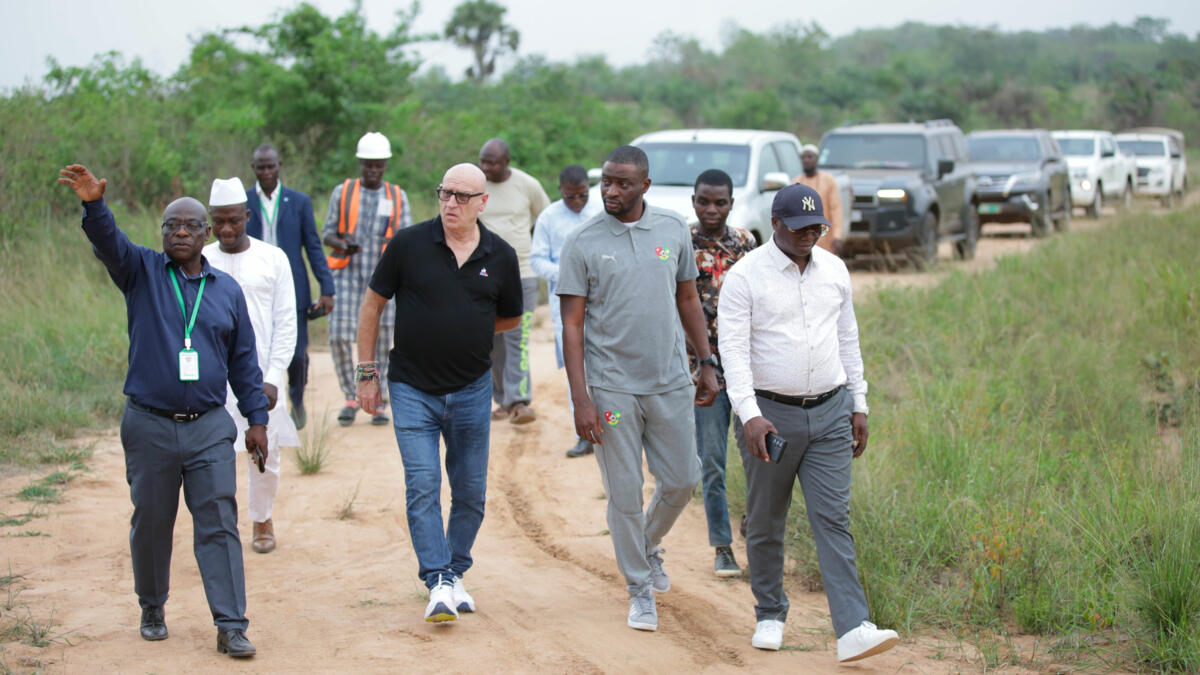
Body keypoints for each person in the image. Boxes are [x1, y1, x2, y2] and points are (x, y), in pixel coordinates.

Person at [58, 164, 267, 658]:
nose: (179, 232)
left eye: (190, 225)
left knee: (218, 520)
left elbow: (244, 364)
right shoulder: (143, 273)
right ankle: (152, 605)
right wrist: (94, 205)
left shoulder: (226, 291)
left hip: (209, 427)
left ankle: (231, 624)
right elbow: (110, 243)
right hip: (149, 423)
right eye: (171, 225)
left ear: (207, 233)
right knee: (152, 519)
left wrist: (256, 420)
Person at [717, 183, 898, 661]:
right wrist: (750, 415)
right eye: (799, 228)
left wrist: (859, 403)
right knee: (766, 517)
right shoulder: (745, 277)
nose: (809, 235)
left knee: (833, 519)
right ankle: (770, 613)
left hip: (832, 410)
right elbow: (732, 353)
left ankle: (853, 628)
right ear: (775, 224)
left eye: (816, 227)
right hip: (770, 417)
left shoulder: (834, 270)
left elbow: (848, 337)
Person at [557, 146, 719, 632]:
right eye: (606, 181)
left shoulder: (671, 230)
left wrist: (705, 361)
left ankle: (646, 546)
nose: (610, 190)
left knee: (683, 479)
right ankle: (639, 588)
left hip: (669, 380)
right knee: (624, 492)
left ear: (644, 186)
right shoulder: (582, 241)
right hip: (612, 390)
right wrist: (581, 399)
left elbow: (688, 297)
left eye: (622, 183)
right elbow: (571, 326)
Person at [355, 163, 523, 624]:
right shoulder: (409, 244)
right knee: (423, 485)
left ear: (482, 203)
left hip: (471, 390)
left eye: (461, 197)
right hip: (411, 389)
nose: (450, 203)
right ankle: (439, 580)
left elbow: (509, 318)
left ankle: (454, 570)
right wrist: (366, 372)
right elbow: (372, 305)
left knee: (470, 492)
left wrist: (464, 324)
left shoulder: (501, 255)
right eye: (444, 193)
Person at [205, 177, 299, 555]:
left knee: (265, 452)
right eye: (219, 222)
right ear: (210, 222)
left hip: (261, 376)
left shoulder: (273, 258)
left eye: (234, 220)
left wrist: (274, 377)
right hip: (211, 378)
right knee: (213, 453)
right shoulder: (201, 258)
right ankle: (220, 526)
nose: (227, 229)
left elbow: (285, 323)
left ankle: (262, 518)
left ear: (247, 216)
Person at [688, 169, 757, 578]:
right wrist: (700, 363)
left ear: (731, 203)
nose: (711, 209)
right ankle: (722, 546)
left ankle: (756, 521)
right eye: (703, 201)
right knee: (712, 461)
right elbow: (675, 303)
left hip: (745, 368)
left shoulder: (746, 243)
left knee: (758, 458)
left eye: (720, 202)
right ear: (693, 201)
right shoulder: (680, 243)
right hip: (702, 372)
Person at [323, 131, 412, 426]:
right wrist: (341, 243)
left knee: (386, 338)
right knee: (338, 334)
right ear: (360, 164)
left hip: (385, 279)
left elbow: (407, 239)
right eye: (368, 164)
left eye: (378, 165)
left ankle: (380, 399)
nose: (373, 170)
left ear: (385, 165)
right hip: (347, 274)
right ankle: (351, 395)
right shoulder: (343, 192)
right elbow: (327, 233)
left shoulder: (398, 196)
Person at [245, 143, 335, 430]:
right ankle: (259, 409)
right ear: (254, 169)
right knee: (256, 351)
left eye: (271, 166)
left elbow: (313, 247)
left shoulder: (299, 202)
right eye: (261, 167)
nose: (267, 172)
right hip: (255, 288)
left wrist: (327, 287)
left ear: (279, 165)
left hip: (292, 289)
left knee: (297, 354)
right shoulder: (243, 201)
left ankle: (296, 397)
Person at [530, 164, 602, 458]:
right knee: (577, 371)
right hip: (567, 306)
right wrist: (569, 275)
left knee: (604, 369)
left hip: (601, 304)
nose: (577, 202)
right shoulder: (548, 217)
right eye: (570, 196)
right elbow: (537, 261)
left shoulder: (600, 211)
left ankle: (613, 428)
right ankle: (583, 435)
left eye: (582, 195)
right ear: (560, 191)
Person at [478, 138, 550, 425]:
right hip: (484, 276)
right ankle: (503, 400)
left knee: (517, 338)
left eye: (492, 162)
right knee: (491, 341)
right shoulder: (475, 184)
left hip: (523, 273)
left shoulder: (526, 184)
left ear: (506, 161)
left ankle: (520, 400)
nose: (485, 167)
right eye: (482, 161)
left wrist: (533, 245)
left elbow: (546, 219)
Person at [791, 144, 844, 254]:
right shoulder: (796, 182)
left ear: (816, 159)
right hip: (803, 238)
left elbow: (836, 210)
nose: (806, 160)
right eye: (804, 158)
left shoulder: (828, 180)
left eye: (810, 157)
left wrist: (837, 236)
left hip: (825, 238)